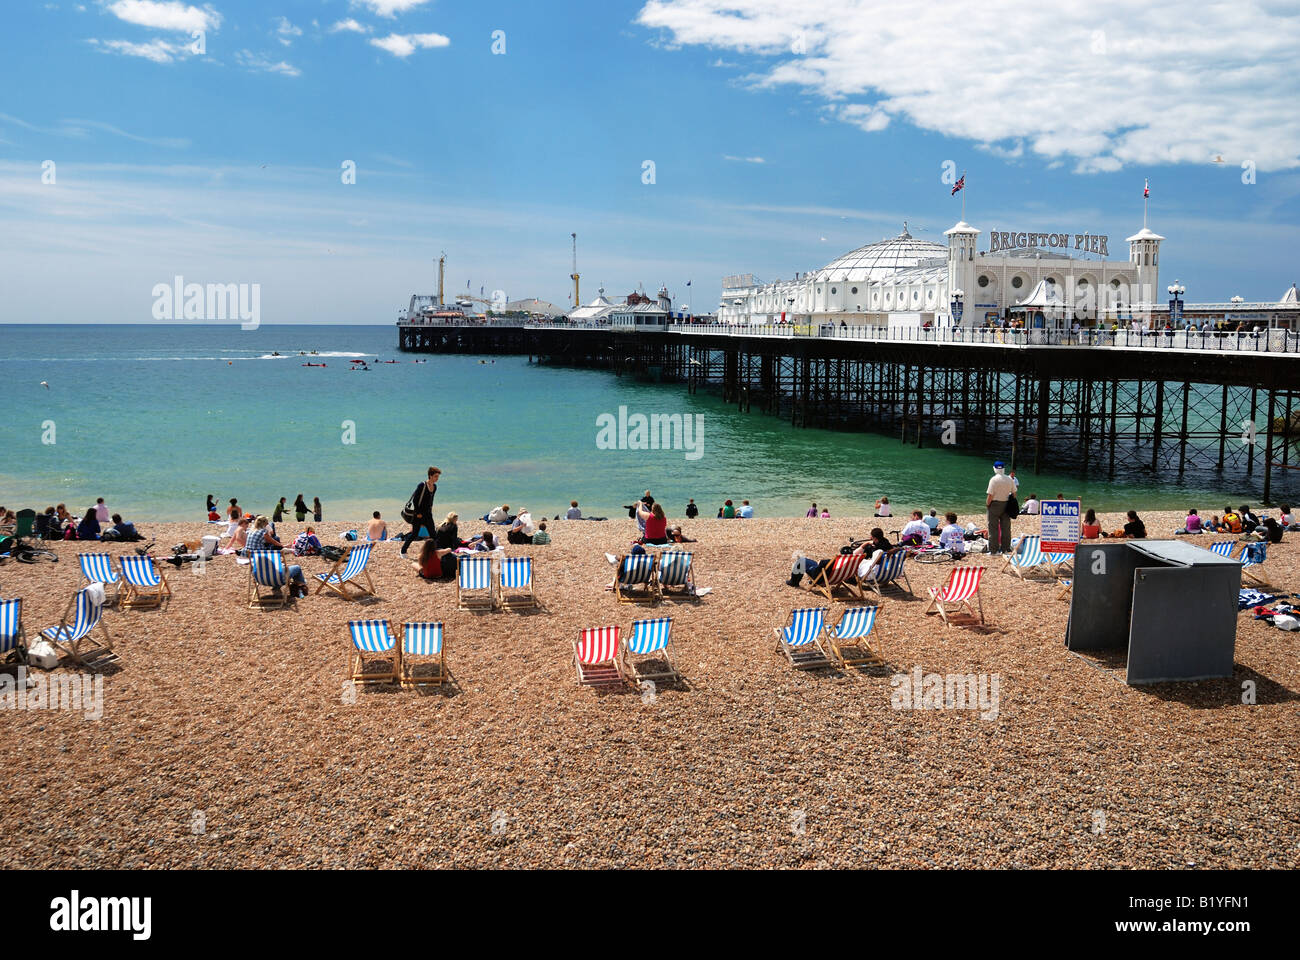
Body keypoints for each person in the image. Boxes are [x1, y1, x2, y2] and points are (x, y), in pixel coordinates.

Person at [401, 466, 441, 556]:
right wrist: (418, 513)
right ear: (430, 476)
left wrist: (430, 510)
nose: (437, 478)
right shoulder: (422, 485)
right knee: (414, 534)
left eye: (438, 477)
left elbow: (431, 500)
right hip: (418, 514)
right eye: (435, 476)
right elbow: (415, 500)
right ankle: (403, 550)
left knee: (433, 534)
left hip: (428, 514)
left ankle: (434, 551)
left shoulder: (434, 487)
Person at [985, 460, 1017, 554]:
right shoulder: (1009, 479)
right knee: (1006, 528)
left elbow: (990, 495)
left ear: (994, 469)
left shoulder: (994, 479)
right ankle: (1005, 549)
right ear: (1003, 469)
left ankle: (994, 551)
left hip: (995, 504)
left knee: (993, 528)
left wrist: (987, 504)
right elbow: (1014, 494)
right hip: (1006, 504)